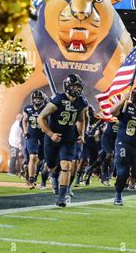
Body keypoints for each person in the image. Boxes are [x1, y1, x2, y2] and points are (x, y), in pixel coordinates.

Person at [38, 74, 88, 207]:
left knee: (66, 165)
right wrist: (50, 134)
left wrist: (81, 134)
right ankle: (45, 173)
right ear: (67, 86)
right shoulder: (58, 99)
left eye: (78, 86)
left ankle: (61, 197)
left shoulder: (81, 102)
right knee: (51, 166)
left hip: (68, 138)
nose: (76, 89)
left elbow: (81, 120)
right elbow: (40, 118)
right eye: (73, 86)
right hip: (53, 138)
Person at [22, 90, 47, 188]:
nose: (37, 100)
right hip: (32, 135)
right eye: (35, 98)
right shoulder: (28, 109)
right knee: (33, 157)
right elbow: (24, 120)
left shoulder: (46, 109)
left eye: (39, 98)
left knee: (40, 160)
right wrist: (25, 131)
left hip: (43, 135)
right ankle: (31, 179)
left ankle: (34, 174)